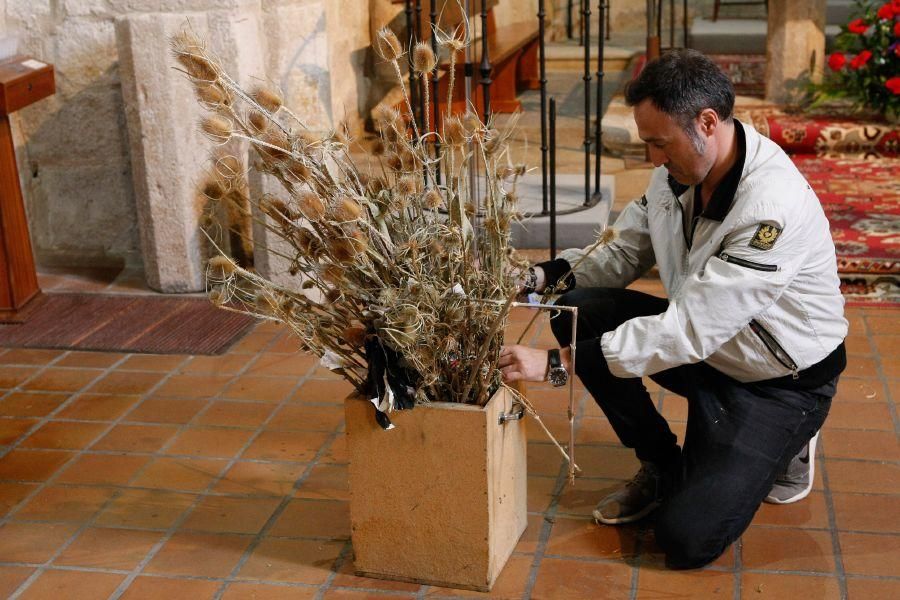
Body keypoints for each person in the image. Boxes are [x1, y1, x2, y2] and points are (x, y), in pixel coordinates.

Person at [499, 49, 847, 569]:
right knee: (577, 309)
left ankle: (793, 438)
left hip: (778, 380)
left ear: (707, 122)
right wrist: (533, 278)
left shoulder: (770, 208)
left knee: (686, 540)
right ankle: (661, 463)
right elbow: (622, 250)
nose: (651, 160)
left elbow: (688, 329)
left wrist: (555, 364)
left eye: (659, 144)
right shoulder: (679, 171)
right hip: (710, 348)